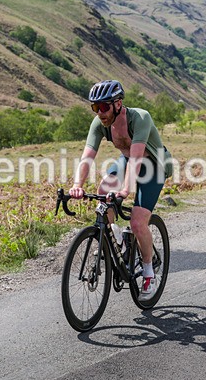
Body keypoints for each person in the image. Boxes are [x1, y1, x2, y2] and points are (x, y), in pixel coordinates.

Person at [69, 79, 172, 300]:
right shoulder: (99, 124)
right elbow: (87, 157)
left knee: (137, 222)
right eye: (95, 107)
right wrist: (77, 185)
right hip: (128, 160)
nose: (100, 112)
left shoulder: (140, 118)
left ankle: (148, 272)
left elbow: (136, 158)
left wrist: (125, 190)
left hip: (154, 165)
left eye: (104, 106)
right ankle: (117, 239)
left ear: (118, 104)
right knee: (103, 191)